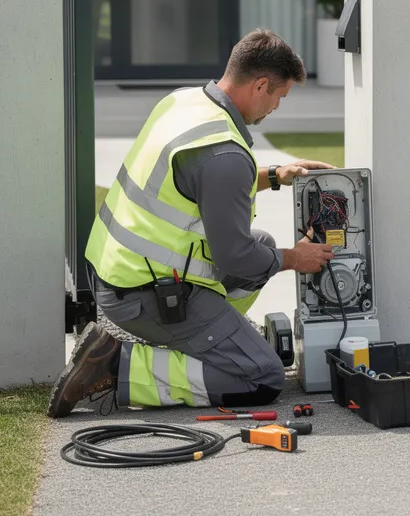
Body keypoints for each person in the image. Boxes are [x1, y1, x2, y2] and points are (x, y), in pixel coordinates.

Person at [47, 28, 337, 417]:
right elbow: (236, 258)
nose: (275, 109)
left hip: (117, 272)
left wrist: (273, 173)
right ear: (261, 85)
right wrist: (295, 258)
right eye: (278, 98)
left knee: (262, 242)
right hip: (144, 296)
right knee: (262, 375)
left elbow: (197, 183)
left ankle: (214, 338)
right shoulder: (225, 155)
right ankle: (115, 366)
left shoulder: (184, 102)